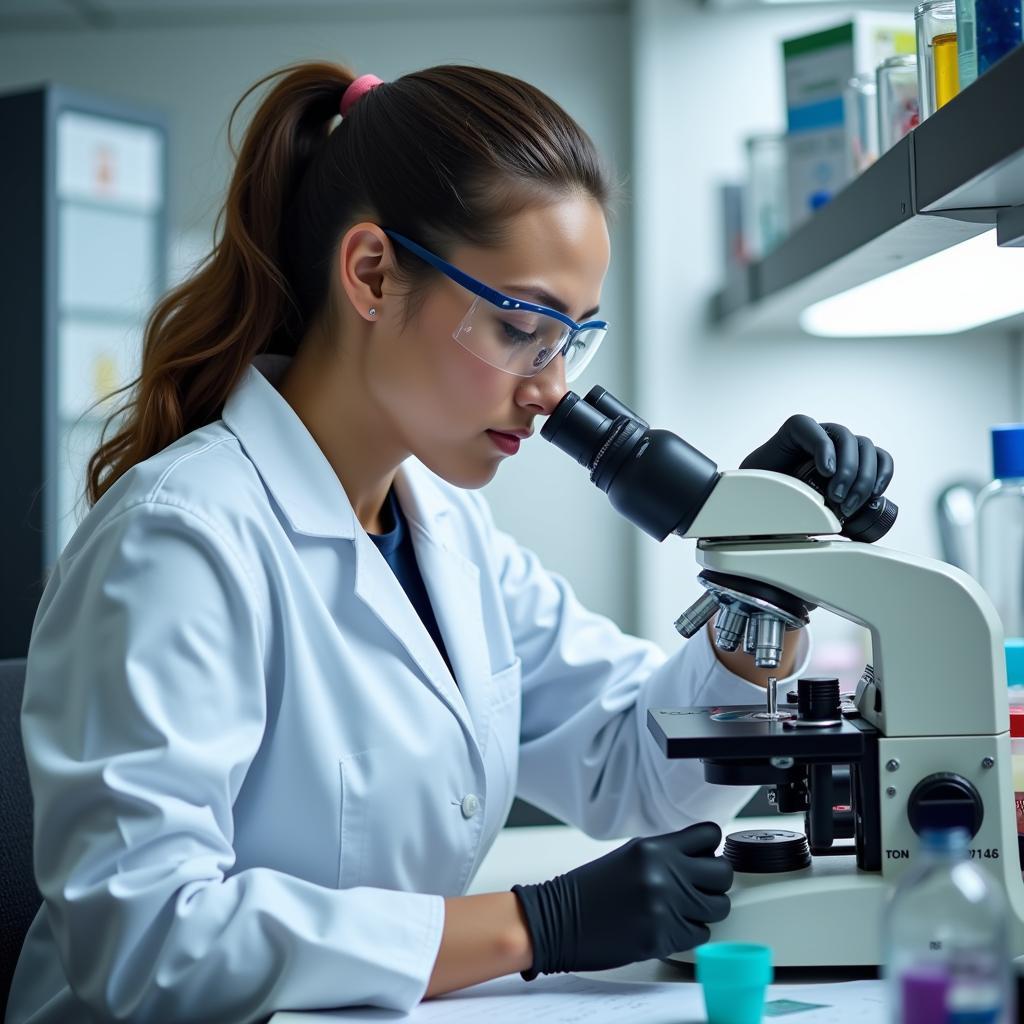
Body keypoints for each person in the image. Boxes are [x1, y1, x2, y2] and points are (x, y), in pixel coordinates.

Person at [7, 61, 894, 1024]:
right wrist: (530, 925)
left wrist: (762, 581)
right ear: (373, 275)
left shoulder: (447, 531)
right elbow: (145, 942)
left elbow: (635, 774)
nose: (552, 389)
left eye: (571, 339)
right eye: (521, 326)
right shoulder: (179, 542)